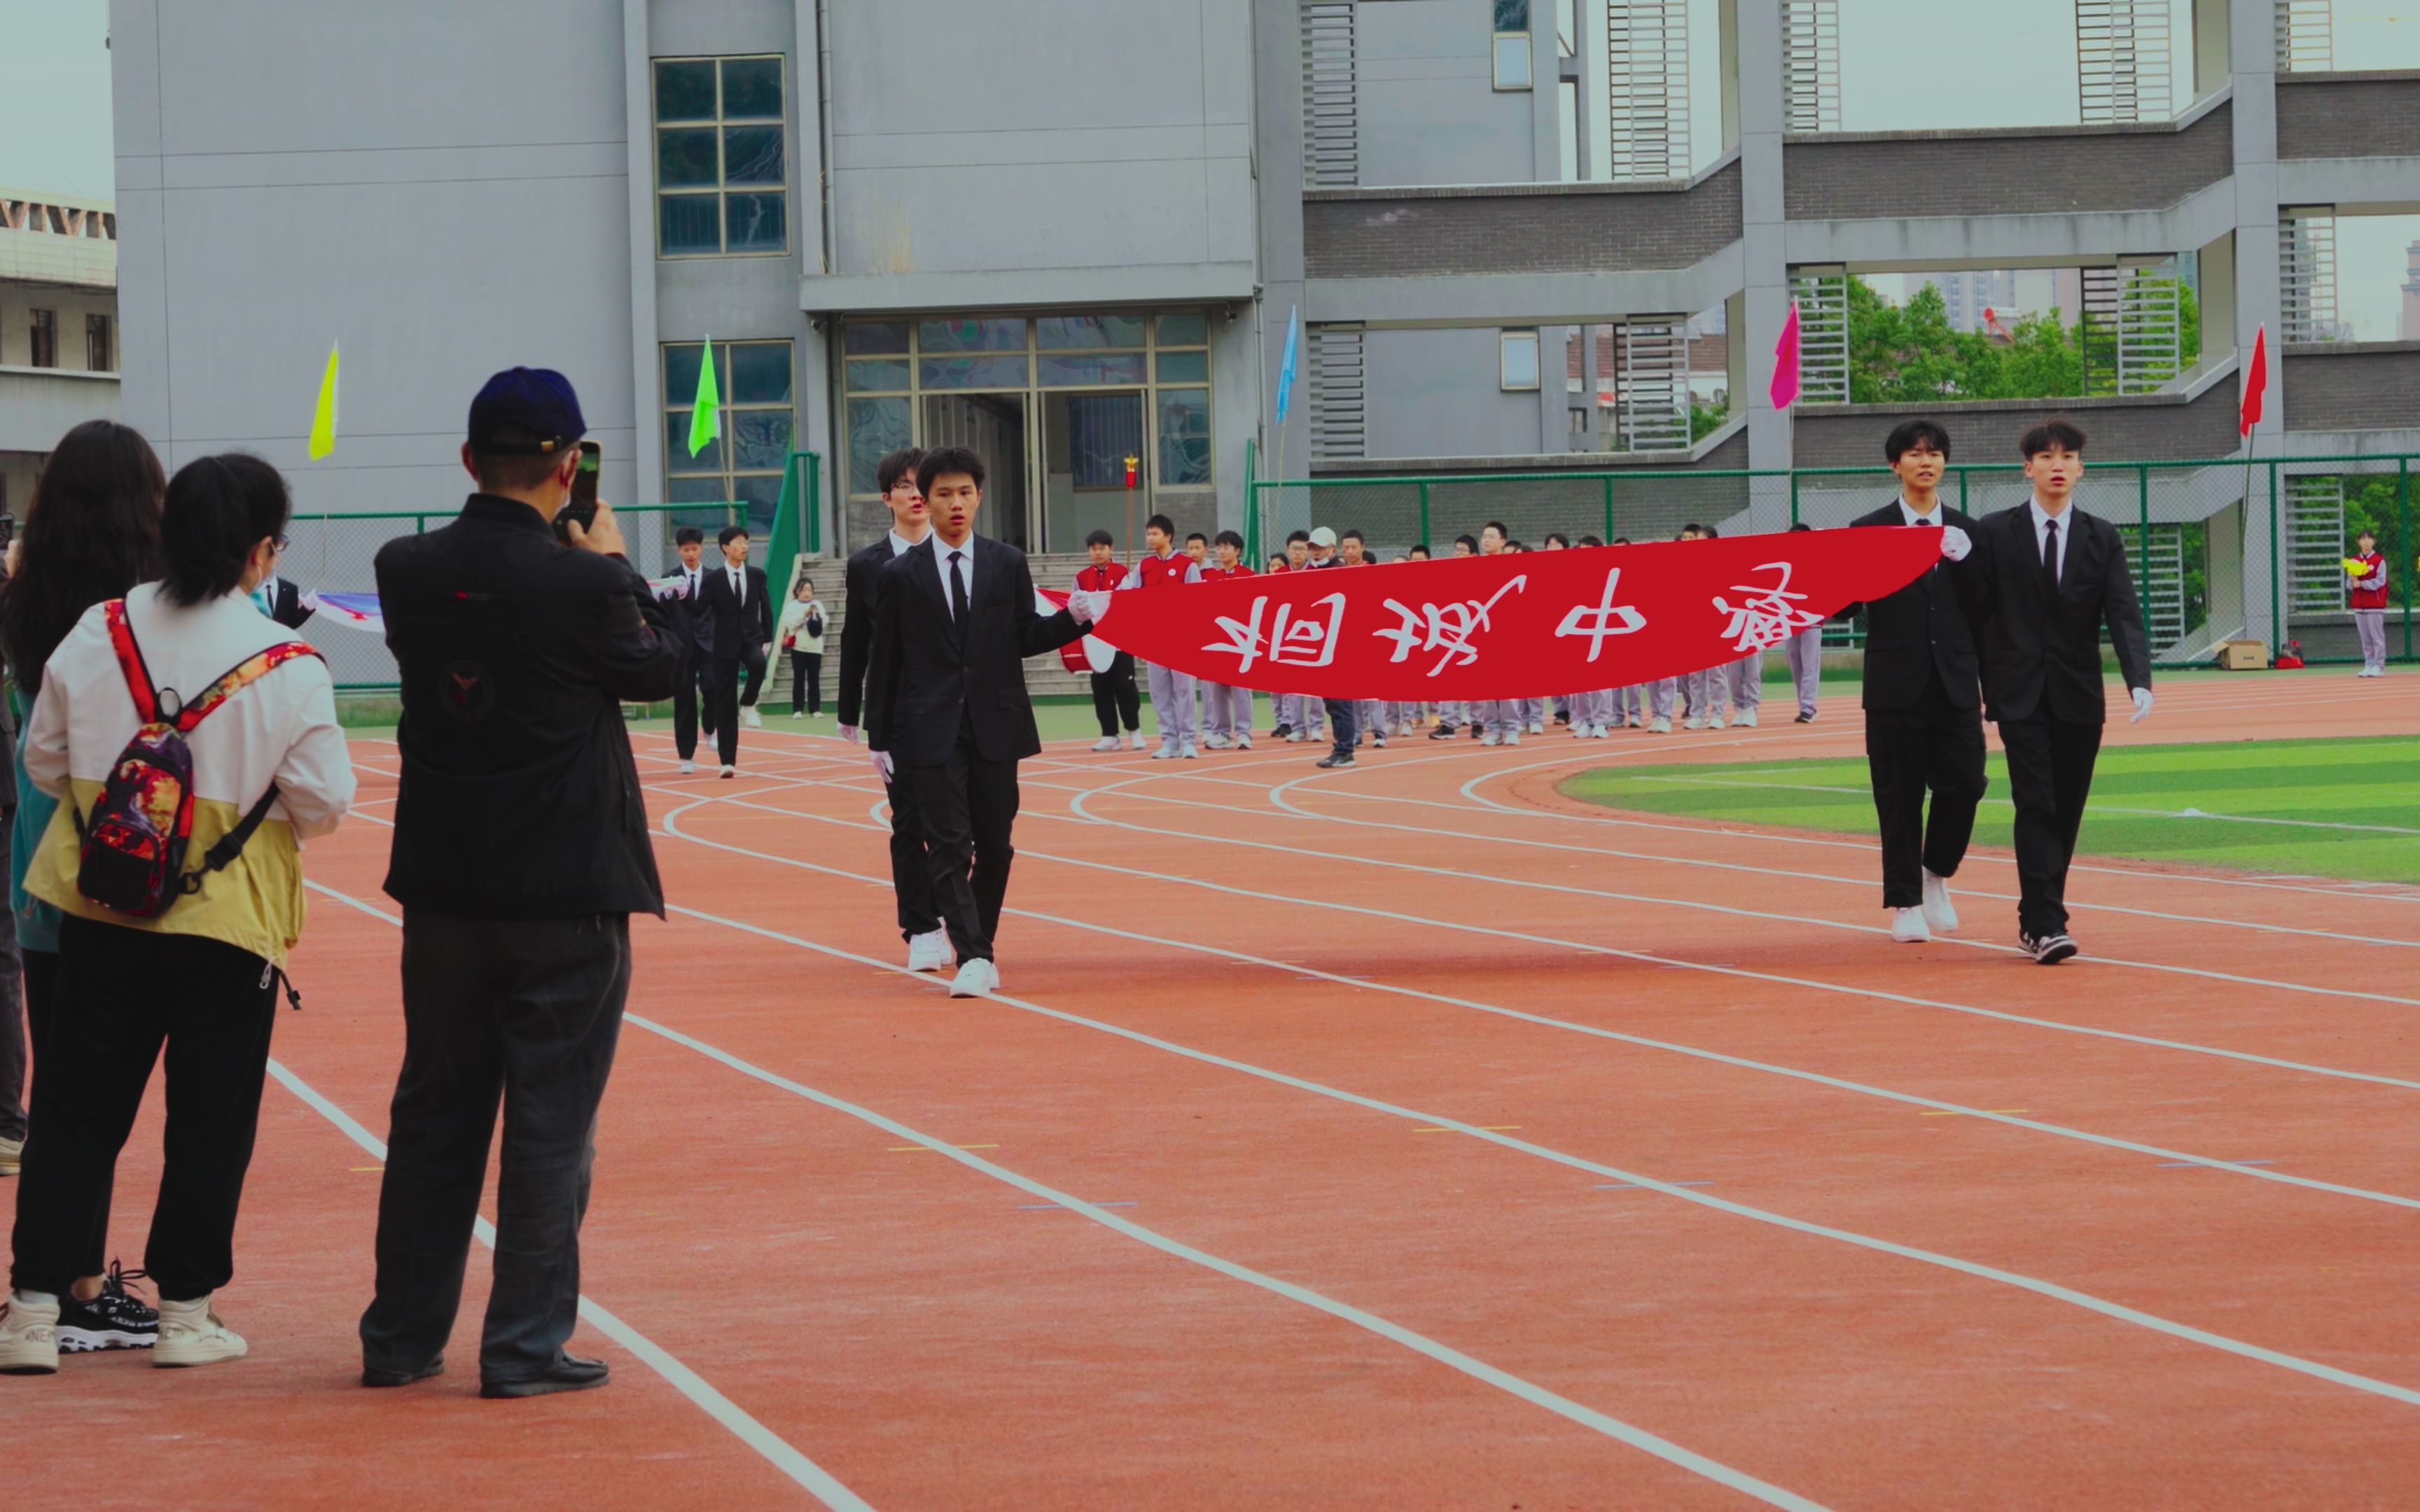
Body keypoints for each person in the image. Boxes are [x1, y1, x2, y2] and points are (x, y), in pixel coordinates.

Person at [360, 366, 681, 1397]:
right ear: (570, 466)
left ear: (467, 460)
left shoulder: (404, 567)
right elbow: (659, 668)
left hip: (447, 890)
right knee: (550, 1122)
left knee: (433, 1113)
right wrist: (617, 560)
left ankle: (402, 1339)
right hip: (566, 892)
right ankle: (524, 1346)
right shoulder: (584, 582)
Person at [1, 451, 353, 1376]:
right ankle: (186, 1316)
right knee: (208, 1123)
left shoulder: (97, 629)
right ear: (262, 552)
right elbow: (324, 804)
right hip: (229, 929)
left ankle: (33, 1312)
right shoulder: (289, 662)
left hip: (100, 913)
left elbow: (41, 764)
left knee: (76, 1115)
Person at [0, 419, 166, 1356]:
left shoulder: (27, 600)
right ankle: (60, 1284)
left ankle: (53, 1281)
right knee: (91, 1101)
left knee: (66, 1082)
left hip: (41, 857)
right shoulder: (138, 612)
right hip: (122, 857)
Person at [863, 447, 1097, 997]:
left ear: (979, 496)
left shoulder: (1006, 562)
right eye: (943, 494)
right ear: (927, 499)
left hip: (996, 723)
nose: (955, 503)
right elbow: (887, 660)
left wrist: (1074, 621)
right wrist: (879, 739)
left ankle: (978, 943)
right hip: (930, 729)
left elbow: (1022, 636)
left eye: (964, 492)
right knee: (947, 845)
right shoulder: (899, 575)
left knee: (995, 844)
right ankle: (974, 954)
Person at [1960, 418, 2153, 965]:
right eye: (2046, 457)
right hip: (2017, 691)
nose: (2058, 465)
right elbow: (1976, 610)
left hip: (2079, 693)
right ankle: (2046, 922)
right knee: (2036, 801)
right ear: (2028, 468)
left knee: (2066, 808)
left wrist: (2138, 679)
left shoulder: (2101, 535)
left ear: (2081, 468)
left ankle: (2038, 913)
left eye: (2068, 456)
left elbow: (2123, 612)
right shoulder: (1995, 530)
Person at [1840, 420, 1985, 945]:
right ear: (1894, 465)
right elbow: (1843, 604)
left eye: (1935, 453)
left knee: (1967, 784)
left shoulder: (1970, 531)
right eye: (1915, 453)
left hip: (1955, 683)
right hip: (1893, 685)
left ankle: (1934, 874)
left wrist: (1968, 560)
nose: (1926, 462)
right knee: (1898, 797)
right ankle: (1904, 902)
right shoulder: (1868, 530)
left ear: (1945, 463)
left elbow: (1985, 605)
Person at [838, 449, 950, 971]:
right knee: (909, 822)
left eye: (922, 484)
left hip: (956, 706)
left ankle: (952, 908)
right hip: (900, 711)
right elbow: (855, 642)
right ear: (887, 497)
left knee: (960, 824)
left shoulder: (960, 552)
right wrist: (851, 715)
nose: (916, 494)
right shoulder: (866, 565)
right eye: (904, 486)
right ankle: (921, 926)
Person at [1120, 514, 1203, 760]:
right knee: (1160, 692)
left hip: (1182, 639)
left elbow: (1200, 601)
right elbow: (1130, 595)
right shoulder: (1143, 566)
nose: (1149, 538)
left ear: (1168, 536)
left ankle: (1188, 740)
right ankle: (1169, 741)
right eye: (1147, 534)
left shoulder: (1188, 566)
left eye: (1154, 534)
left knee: (1185, 691)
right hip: (1154, 639)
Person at [700, 526, 772, 772]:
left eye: (746, 542)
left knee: (758, 664)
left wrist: (768, 638)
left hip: (751, 638)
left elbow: (766, 606)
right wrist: (677, 595)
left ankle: (749, 703)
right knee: (724, 704)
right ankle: (727, 761)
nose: (744, 547)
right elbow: (699, 610)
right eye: (739, 542)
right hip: (724, 645)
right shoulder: (713, 579)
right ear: (725, 547)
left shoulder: (756, 575)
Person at [1076, 531, 1143, 753]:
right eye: (1093, 548)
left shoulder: (1122, 573)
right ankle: (1109, 735)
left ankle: (1134, 731)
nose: (1097, 552)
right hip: (1095, 641)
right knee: (1101, 688)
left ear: (1111, 549)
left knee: (1126, 687)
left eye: (1102, 548)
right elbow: (1075, 605)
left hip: (1120, 640)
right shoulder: (1081, 577)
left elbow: (1131, 602)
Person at [657, 526, 716, 775]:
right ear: (678, 550)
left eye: (694, 548)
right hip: (681, 647)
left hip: (710, 644)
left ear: (702, 549)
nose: (691, 553)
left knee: (713, 687)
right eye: (686, 549)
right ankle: (686, 756)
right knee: (684, 701)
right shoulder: (669, 579)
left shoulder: (714, 578)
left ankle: (710, 727)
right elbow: (661, 615)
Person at [1198, 530, 1255, 750]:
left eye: (1226, 547)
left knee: (1241, 690)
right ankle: (1221, 732)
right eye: (1219, 547)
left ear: (1237, 551)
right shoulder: (1211, 577)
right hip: (1217, 641)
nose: (1221, 552)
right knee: (1217, 691)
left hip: (1241, 640)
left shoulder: (1249, 576)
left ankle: (1244, 733)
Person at [1783, 522, 1826, 722]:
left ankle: (1808, 707)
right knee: (1796, 667)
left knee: (1810, 666)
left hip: (1811, 622)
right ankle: (1804, 705)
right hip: (1790, 622)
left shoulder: (1817, 562)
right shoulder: (1784, 564)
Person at [779, 573, 826, 716]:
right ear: (798, 591)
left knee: (814, 679)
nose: (807, 593)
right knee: (799, 678)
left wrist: (817, 616)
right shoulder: (791, 607)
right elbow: (790, 625)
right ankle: (798, 709)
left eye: (809, 590)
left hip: (815, 647)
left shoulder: (817, 605)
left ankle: (815, 709)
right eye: (804, 590)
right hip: (798, 647)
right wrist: (804, 616)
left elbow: (824, 623)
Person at [2349, 527, 2389, 676]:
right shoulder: (2355, 561)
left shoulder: (2379, 560)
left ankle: (2379, 666)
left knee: (2376, 637)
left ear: (2374, 541)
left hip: (2374, 605)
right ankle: (2369, 664)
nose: (2366, 542)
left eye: (2369, 538)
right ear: (2359, 542)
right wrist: (2353, 581)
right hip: (2359, 606)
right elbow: (2349, 583)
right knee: (2365, 638)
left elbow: (2381, 581)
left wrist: (2364, 584)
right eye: (2363, 539)